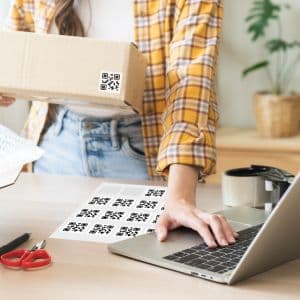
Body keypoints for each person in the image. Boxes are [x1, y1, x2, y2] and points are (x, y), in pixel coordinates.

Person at [0, 0, 237, 247]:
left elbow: (191, 90)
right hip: (55, 148)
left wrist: (180, 198)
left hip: (144, 151)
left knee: (144, 266)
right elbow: (16, 41)